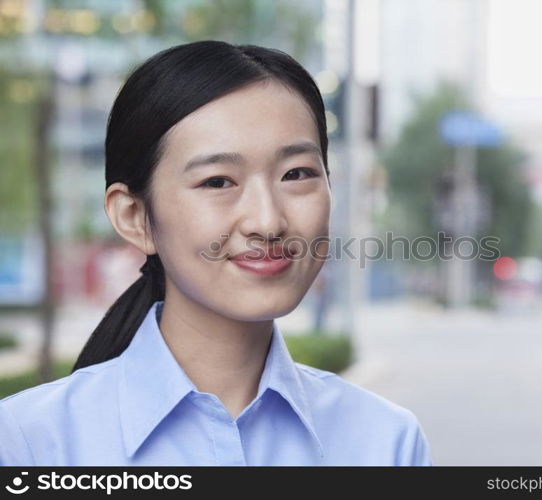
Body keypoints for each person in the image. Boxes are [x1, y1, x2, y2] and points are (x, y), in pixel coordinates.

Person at [0, 41, 432, 466]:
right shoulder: (31, 444)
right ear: (134, 216)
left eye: (296, 174)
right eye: (218, 181)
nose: (267, 222)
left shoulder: (386, 442)